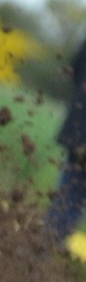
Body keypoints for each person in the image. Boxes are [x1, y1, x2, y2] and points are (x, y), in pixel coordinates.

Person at [45, 34, 86, 244]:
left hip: (81, 129)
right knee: (69, 200)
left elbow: (77, 67)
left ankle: (40, 251)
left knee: (67, 199)